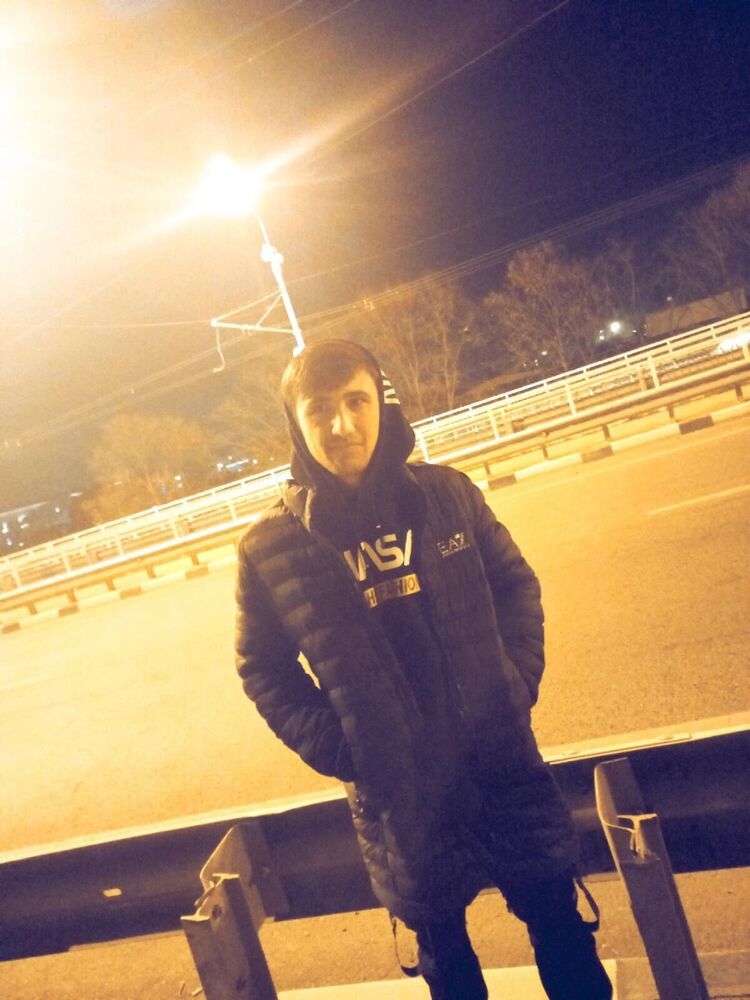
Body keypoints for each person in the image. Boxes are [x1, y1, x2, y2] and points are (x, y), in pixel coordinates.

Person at [234, 339, 612, 1000]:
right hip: (399, 795)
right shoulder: (271, 547)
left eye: (356, 401)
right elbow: (263, 668)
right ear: (296, 422)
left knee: (561, 930)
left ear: (381, 404)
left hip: (500, 761)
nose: (341, 424)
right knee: (446, 961)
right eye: (319, 409)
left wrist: (513, 681)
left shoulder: (447, 496)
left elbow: (516, 587)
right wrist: (344, 747)